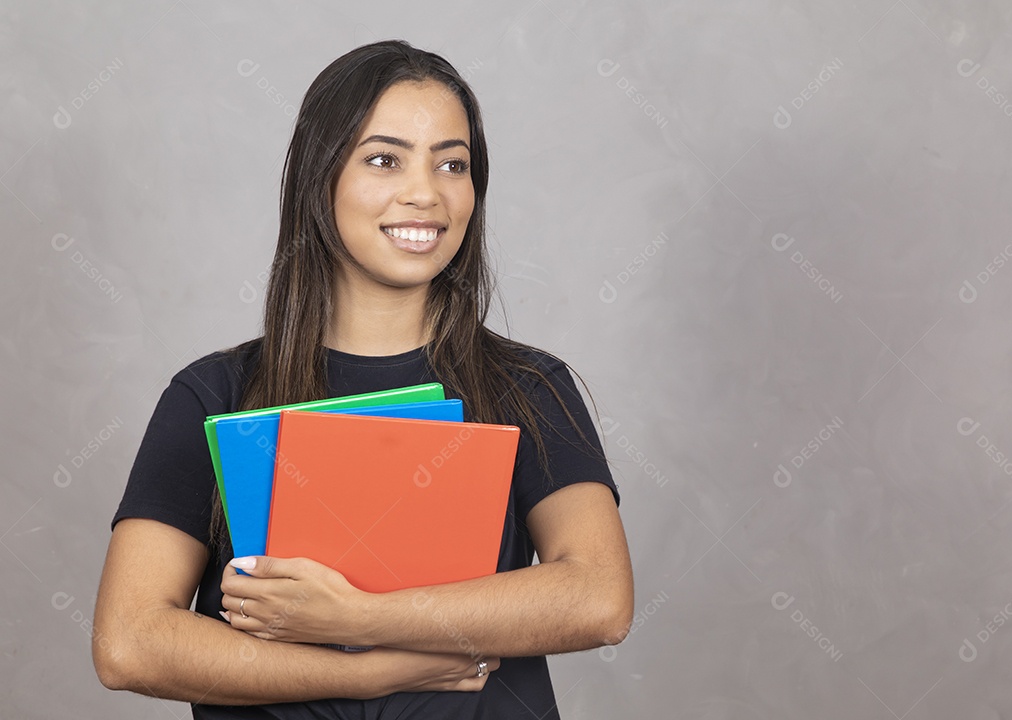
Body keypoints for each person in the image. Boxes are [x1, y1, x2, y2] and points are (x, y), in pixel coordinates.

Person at [92, 39, 634, 719]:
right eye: (384, 160)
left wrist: (360, 618)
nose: (425, 194)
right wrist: (365, 673)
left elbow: (598, 598)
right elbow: (130, 642)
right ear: (320, 181)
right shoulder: (215, 394)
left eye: (452, 164)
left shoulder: (528, 387)